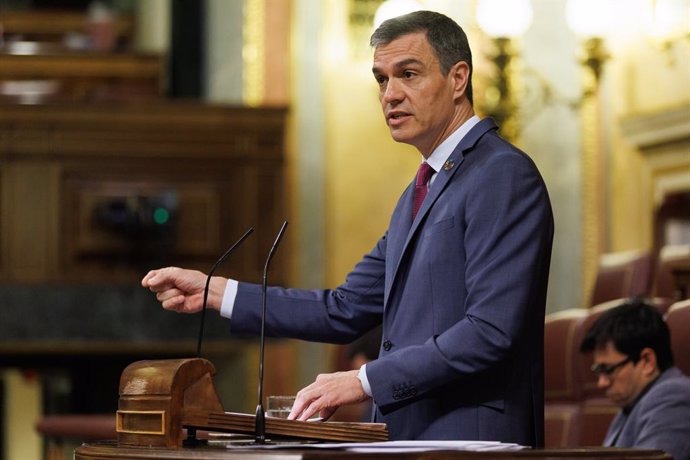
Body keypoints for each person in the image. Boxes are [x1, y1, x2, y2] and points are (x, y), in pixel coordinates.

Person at [142, 10, 553, 445]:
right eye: (381, 79)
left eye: (408, 74)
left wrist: (364, 381)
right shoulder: (422, 190)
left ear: (458, 79)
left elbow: (490, 332)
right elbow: (342, 308)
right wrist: (216, 291)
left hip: (473, 440)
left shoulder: (500, 173)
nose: (390, 94)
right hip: (412, 437)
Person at [579, 298, 690, 460]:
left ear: (647, 361)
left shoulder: (672, 396)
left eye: (608, 369)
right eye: (598, 371)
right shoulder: (634, 402)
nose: (601, 383)